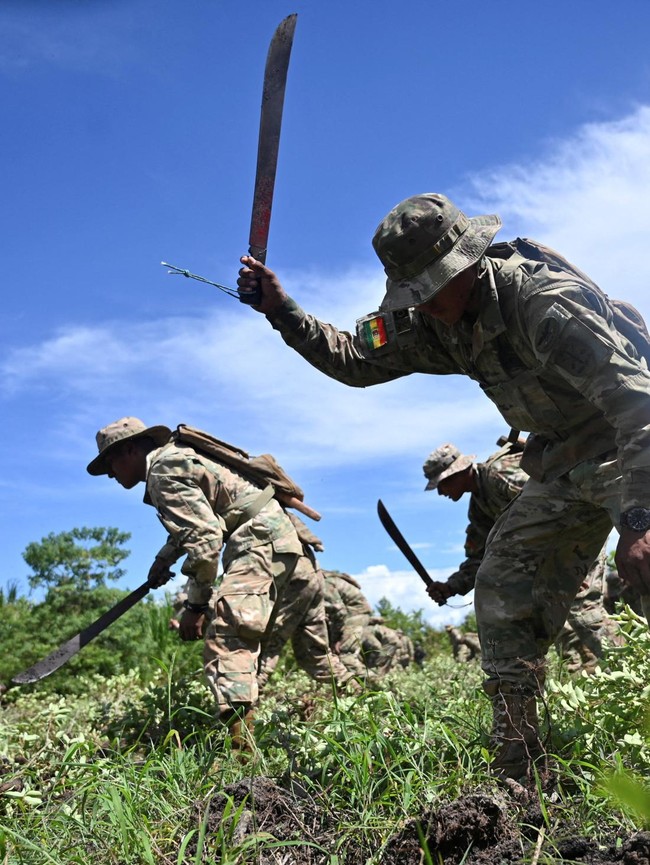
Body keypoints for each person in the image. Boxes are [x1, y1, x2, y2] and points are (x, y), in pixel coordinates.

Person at [237, 191, 650, 781]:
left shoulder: (543, 303)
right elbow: (355, 359)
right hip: (564, 458)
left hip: (633, 445)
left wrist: (640, 521)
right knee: (504, 585)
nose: (424, 304)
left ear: (469, 260)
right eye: (413, 292)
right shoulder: (434, 321)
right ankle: (519, 768)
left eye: (433, 286)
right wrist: (283, 310)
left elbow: (639, 406)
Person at [87, 417, 352, 746]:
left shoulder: (162, 471)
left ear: (128, 450)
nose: (110, 474)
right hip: (291, 550)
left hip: (260, 544)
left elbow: (204, 538)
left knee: (226, 637)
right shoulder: (179, 457)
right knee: (309, 653)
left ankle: (241, 754)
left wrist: (195, 605)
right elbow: (210, 519)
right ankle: (372, 707)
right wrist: (163, 560)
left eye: (109, 464)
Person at [423, 440, 615, 673]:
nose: (441, 492)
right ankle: (586, 675)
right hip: (553, 551)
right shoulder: (479, 508)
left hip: (578, 535)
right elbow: (480, 559)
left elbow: (565, 497)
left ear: (460, 472)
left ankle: (633, 671)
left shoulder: (501, 474)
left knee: (584, 610)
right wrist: (450, 586)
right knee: (550, 613)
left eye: (442, 484)